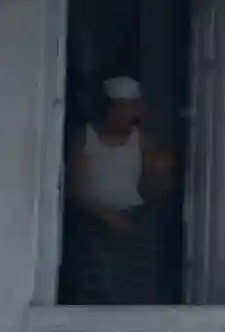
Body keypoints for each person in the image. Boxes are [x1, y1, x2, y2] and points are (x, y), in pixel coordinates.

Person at [64, 76, 175, 305]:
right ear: (110, 107)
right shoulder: (84, 137)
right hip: (93, 221)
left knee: (134, 287)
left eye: (135, 106)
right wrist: (108, 217)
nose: (132, 113)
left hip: (134, 219)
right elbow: (75, 190)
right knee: (98, 288)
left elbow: (154, 193)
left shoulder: (142, 141)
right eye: (126, 106)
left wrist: (161, 173)